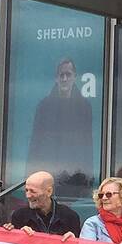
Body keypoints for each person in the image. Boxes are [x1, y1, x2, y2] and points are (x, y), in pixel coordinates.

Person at [27, 58, 94, 198]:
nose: (64, 78)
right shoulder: (44, 106)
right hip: (47, 174)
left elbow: (87, 146)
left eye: (68, 74)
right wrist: (30, 174)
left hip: (76, 177)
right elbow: (35, 143)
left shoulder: (84, 107)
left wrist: (88, 179)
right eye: (61, 75)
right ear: (56, 78)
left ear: (74, 77)